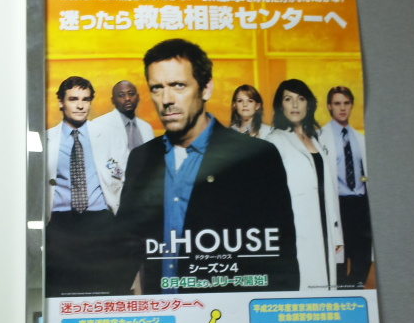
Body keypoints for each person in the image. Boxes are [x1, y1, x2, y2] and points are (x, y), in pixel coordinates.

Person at [113, 38, 299, 295]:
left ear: (206, 89)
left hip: (225, 311)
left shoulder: (256, 157)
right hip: (162, 312)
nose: (166, 99)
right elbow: (123, 249)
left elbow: (280, 261)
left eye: (178, 85)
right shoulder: (142, 158)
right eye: (157, 88)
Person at [46, 75, 125, 296]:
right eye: (73, 99)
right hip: (60, 222)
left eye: (86, 99)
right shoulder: (46, 140)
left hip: (100, 220)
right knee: (62, 289)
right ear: (61, 102)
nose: (80, 105)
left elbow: (123, 175)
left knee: (103, 287)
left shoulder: (109, 136)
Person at [268, 79, 343, 290]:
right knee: (306, 282)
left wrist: (336, 233)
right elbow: (270, 194)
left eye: (300, 99)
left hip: (324, 224)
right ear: (280, 105)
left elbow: (329, 189)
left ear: (308, 104)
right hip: (296, 227)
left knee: (327, 283)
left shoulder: (315, 139)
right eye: (288, 99)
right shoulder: (275, 140)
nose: (294, 105)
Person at [319, 86, 372, 288]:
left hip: (360, 205)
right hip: (337, 205)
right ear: (329, 106)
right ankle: (342, 290)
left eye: (346, 103)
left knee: (362, 256)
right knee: (338, 256)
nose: (342, 108)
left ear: (352, 106)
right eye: (337, 103)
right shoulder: (319, 137)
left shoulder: (361, 138)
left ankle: (356, 288)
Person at [91, 79, 154, 181]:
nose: (127, 98)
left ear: (138, 97)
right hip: (117, 185)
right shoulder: (100, 124)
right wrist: (126, 179)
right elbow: (104, 160)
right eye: (121, 95)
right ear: (113, 100)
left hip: (145, 185)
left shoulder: (147, 128)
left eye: (131, 94)